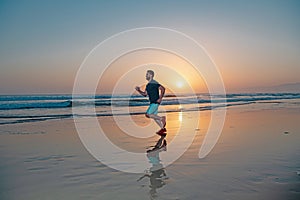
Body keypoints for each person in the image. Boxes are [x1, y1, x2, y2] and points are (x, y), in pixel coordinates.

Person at [135, 70, 167, 136]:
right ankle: (162, 129)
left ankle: (162, 118)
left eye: (147, 74)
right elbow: (145, 94)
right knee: (155, 117)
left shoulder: (154, 83)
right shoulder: (148, 85)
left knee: (147, 114)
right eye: (146, 74)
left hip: (155, 101)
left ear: (151, 75)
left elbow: (163, 89)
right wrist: (138, 90)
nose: (146, 76)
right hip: (152, 102)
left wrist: (160, 98)